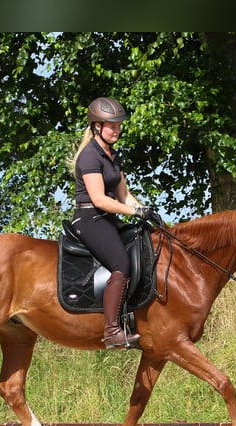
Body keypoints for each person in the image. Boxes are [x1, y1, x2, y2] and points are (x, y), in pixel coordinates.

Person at [69, 96, 163, 349]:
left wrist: (145, 211)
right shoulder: (89, 156)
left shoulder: (112, 155)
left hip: (107, 218)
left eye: (119, 126)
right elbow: (99, 199)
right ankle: (111, 331)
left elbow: (123, 196)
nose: (117, 130)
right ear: (97, 126)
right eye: (112, 126)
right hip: (89, 218)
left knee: (146, 244)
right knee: (121, 263)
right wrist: (132, 213)